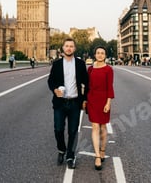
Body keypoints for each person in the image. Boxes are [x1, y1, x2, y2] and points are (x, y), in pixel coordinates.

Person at [47, 38, 89, 169]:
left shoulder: (81, 64)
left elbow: (87, 83)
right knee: (58, 129)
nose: (69, 48)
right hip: (60, 102)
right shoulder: (57, 64)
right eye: (67, 46)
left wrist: (84, 99)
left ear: (74, 49)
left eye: (71, 46)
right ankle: (61, 149)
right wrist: (54, 90)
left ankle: (70, 155)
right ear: (63, 48)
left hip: (75, 102)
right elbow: (51, 81)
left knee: (73, 131)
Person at [86, 46, 114, 170]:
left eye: (102, 53)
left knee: (103, 127)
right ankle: (97, 156)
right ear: (95, 55)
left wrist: (108, 103)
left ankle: (103, 149)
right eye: (98, 53)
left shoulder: (109, 69)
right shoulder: (90, 69)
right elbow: (87, 86)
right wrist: (85, 100)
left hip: (103, 100)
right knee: (95, 126)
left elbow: (110, 87)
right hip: (92, 99)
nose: (100, 55)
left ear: (105, 55)